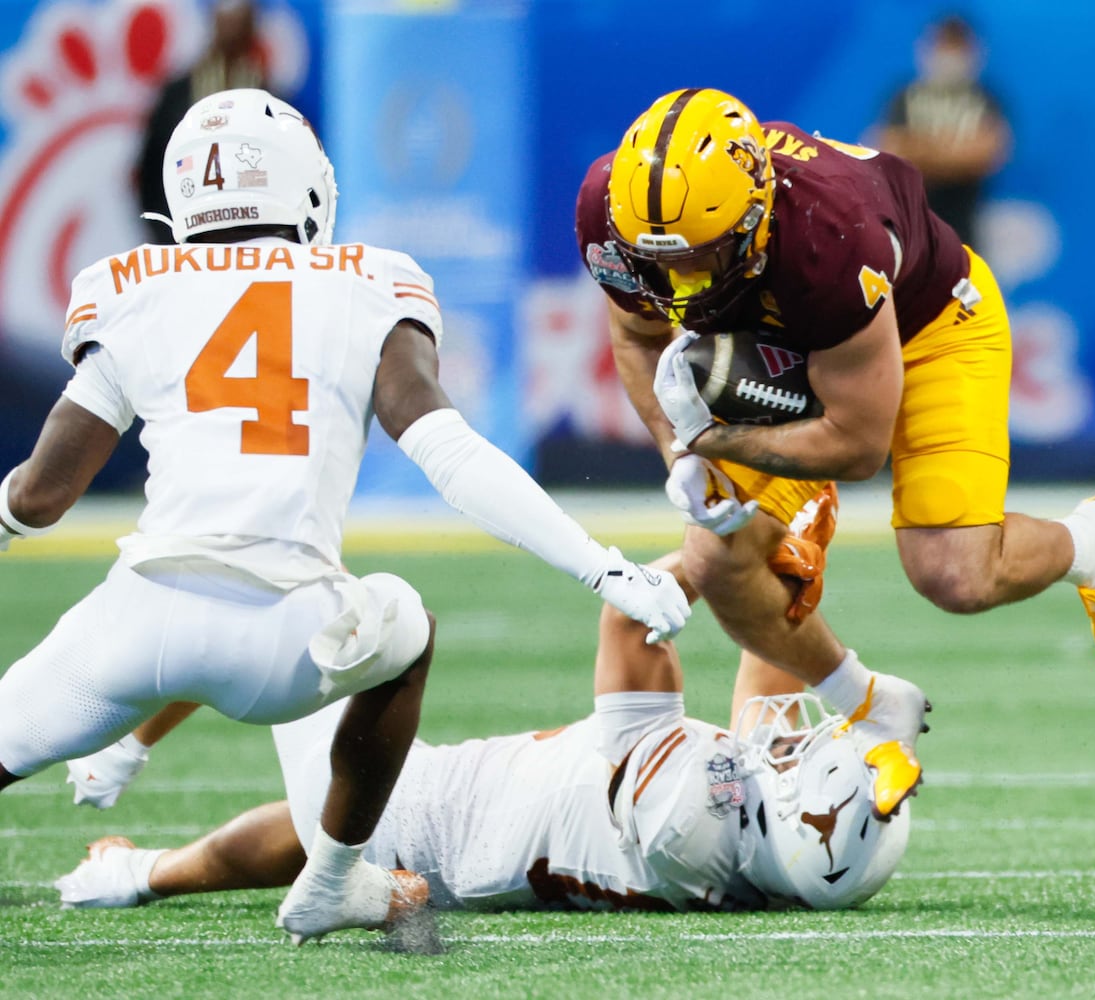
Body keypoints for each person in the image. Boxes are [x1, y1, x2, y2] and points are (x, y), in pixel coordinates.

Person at [0, 87, 689, 943]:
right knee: (399, 625)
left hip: (130, 625)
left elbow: (38, 496)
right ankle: (330, 879)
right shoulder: (369, 282)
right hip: (288, 640)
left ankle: (258, 836)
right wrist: (603, 566)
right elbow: (450, 453)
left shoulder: (132, 286)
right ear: (305, 190)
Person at [575, 88, 1095, 815]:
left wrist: (712, 437)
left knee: (953, 574)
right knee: (716, 556)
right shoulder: (616, 208)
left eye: (702, 259)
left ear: (755, 214)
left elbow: (856, 446)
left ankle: (1092, 542)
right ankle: (868, 703)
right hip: (783, 334)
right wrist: (679, 454)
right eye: (663, 265)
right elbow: (637, 333)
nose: (682, 287)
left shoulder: (830, 234)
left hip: (931, 323)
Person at [54, 546, 911, 915]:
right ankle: (129, 876)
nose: (802, 738)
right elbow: (766, 684)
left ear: (791, 813)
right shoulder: (758, 853)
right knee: (313, 832)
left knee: (297, 594)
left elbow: (630, 618)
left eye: (810, 755)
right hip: (442, 849)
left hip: (418, 816)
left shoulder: (689, 799)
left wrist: (729, 546)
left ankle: (117, 743)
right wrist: (790, 568)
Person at [872, 14, 1011, 248]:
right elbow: (886, 150)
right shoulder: (905, 97)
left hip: (964, 232)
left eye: (956, 46)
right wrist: (954, 149)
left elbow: (988, 153)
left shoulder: (986, 99)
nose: (949, 55)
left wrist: (920, 149)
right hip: (909, 231)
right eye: (944, 44)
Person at [137, 1, 270, 245]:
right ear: (214, 25)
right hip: (184, 237)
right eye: (226, 22)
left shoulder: (267, 97)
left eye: (240, 24)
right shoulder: (178, 95)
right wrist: (166, 235)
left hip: (248, 239)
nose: (232, 33)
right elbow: (149, 170)